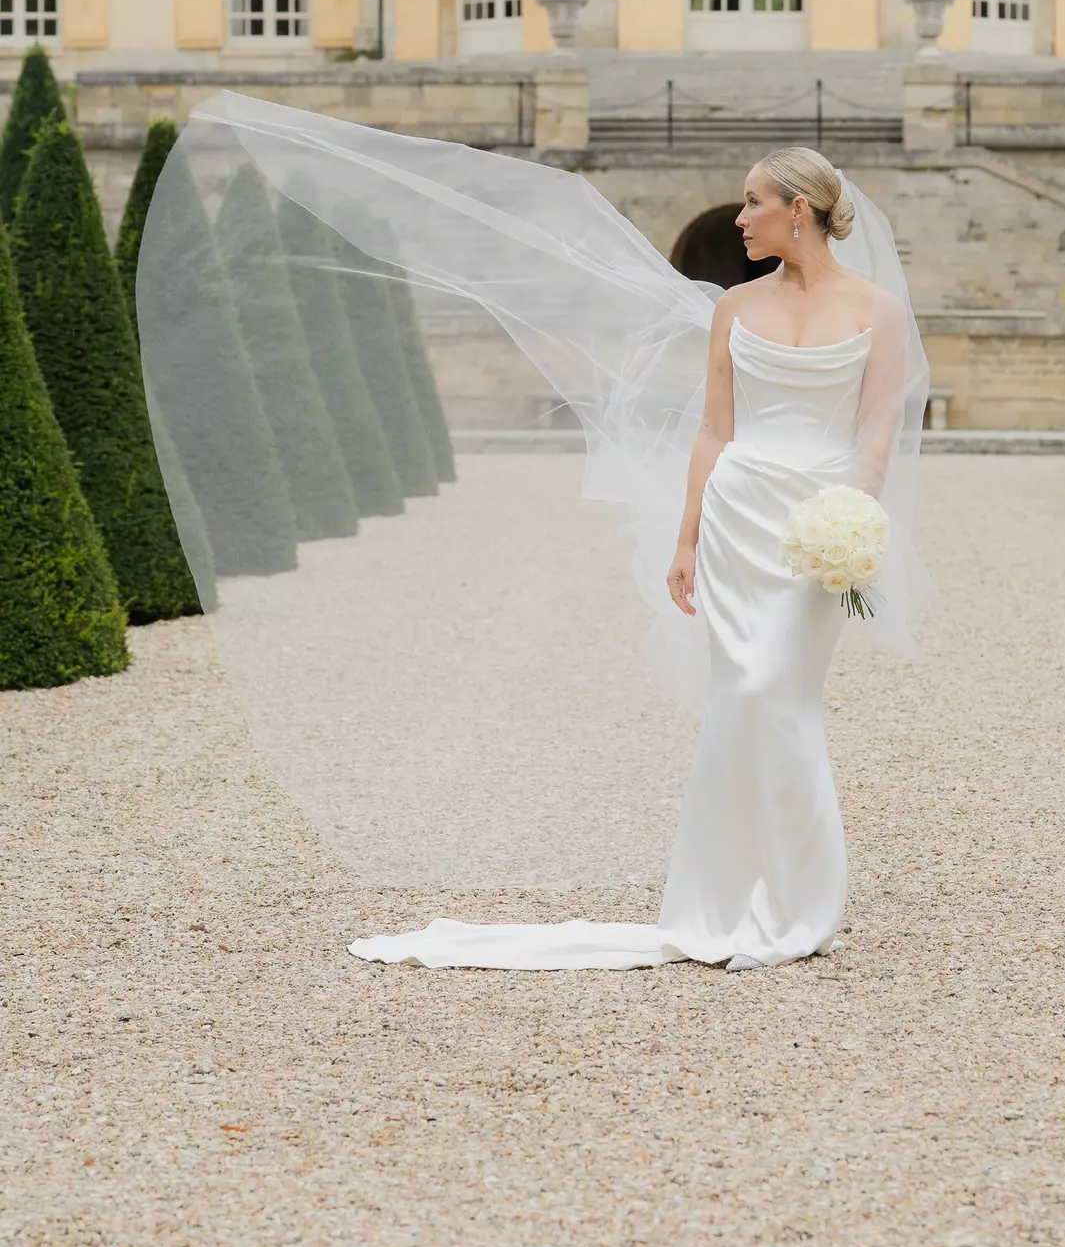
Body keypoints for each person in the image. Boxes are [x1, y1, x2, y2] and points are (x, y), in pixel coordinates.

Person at [350, 148, 913, 972]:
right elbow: (714, 429)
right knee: (739, 698)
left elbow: (877, 432)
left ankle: (801, 905)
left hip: (821, 529)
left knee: (781, 694)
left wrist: (853, 519)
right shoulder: (735, 307)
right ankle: (720, 902)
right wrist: (686, 537)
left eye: (753, 201)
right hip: (739, 516)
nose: (741, 217)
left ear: (800, 210)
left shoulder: (878, 310)